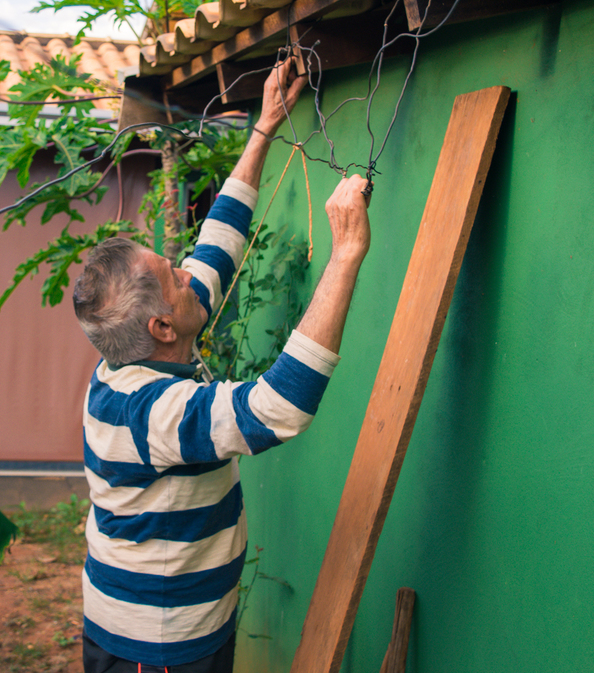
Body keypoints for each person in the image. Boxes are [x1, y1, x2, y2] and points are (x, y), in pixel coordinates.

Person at [71, 59, 371, 673]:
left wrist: (263, 128)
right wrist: (345, 254)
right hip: (157, 646)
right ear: (162, 328)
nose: (188, 271)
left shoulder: (138, 353)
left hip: (166, 623)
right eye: (173, 277)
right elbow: (278, 408)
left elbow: (216, 248)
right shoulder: (153, 412)